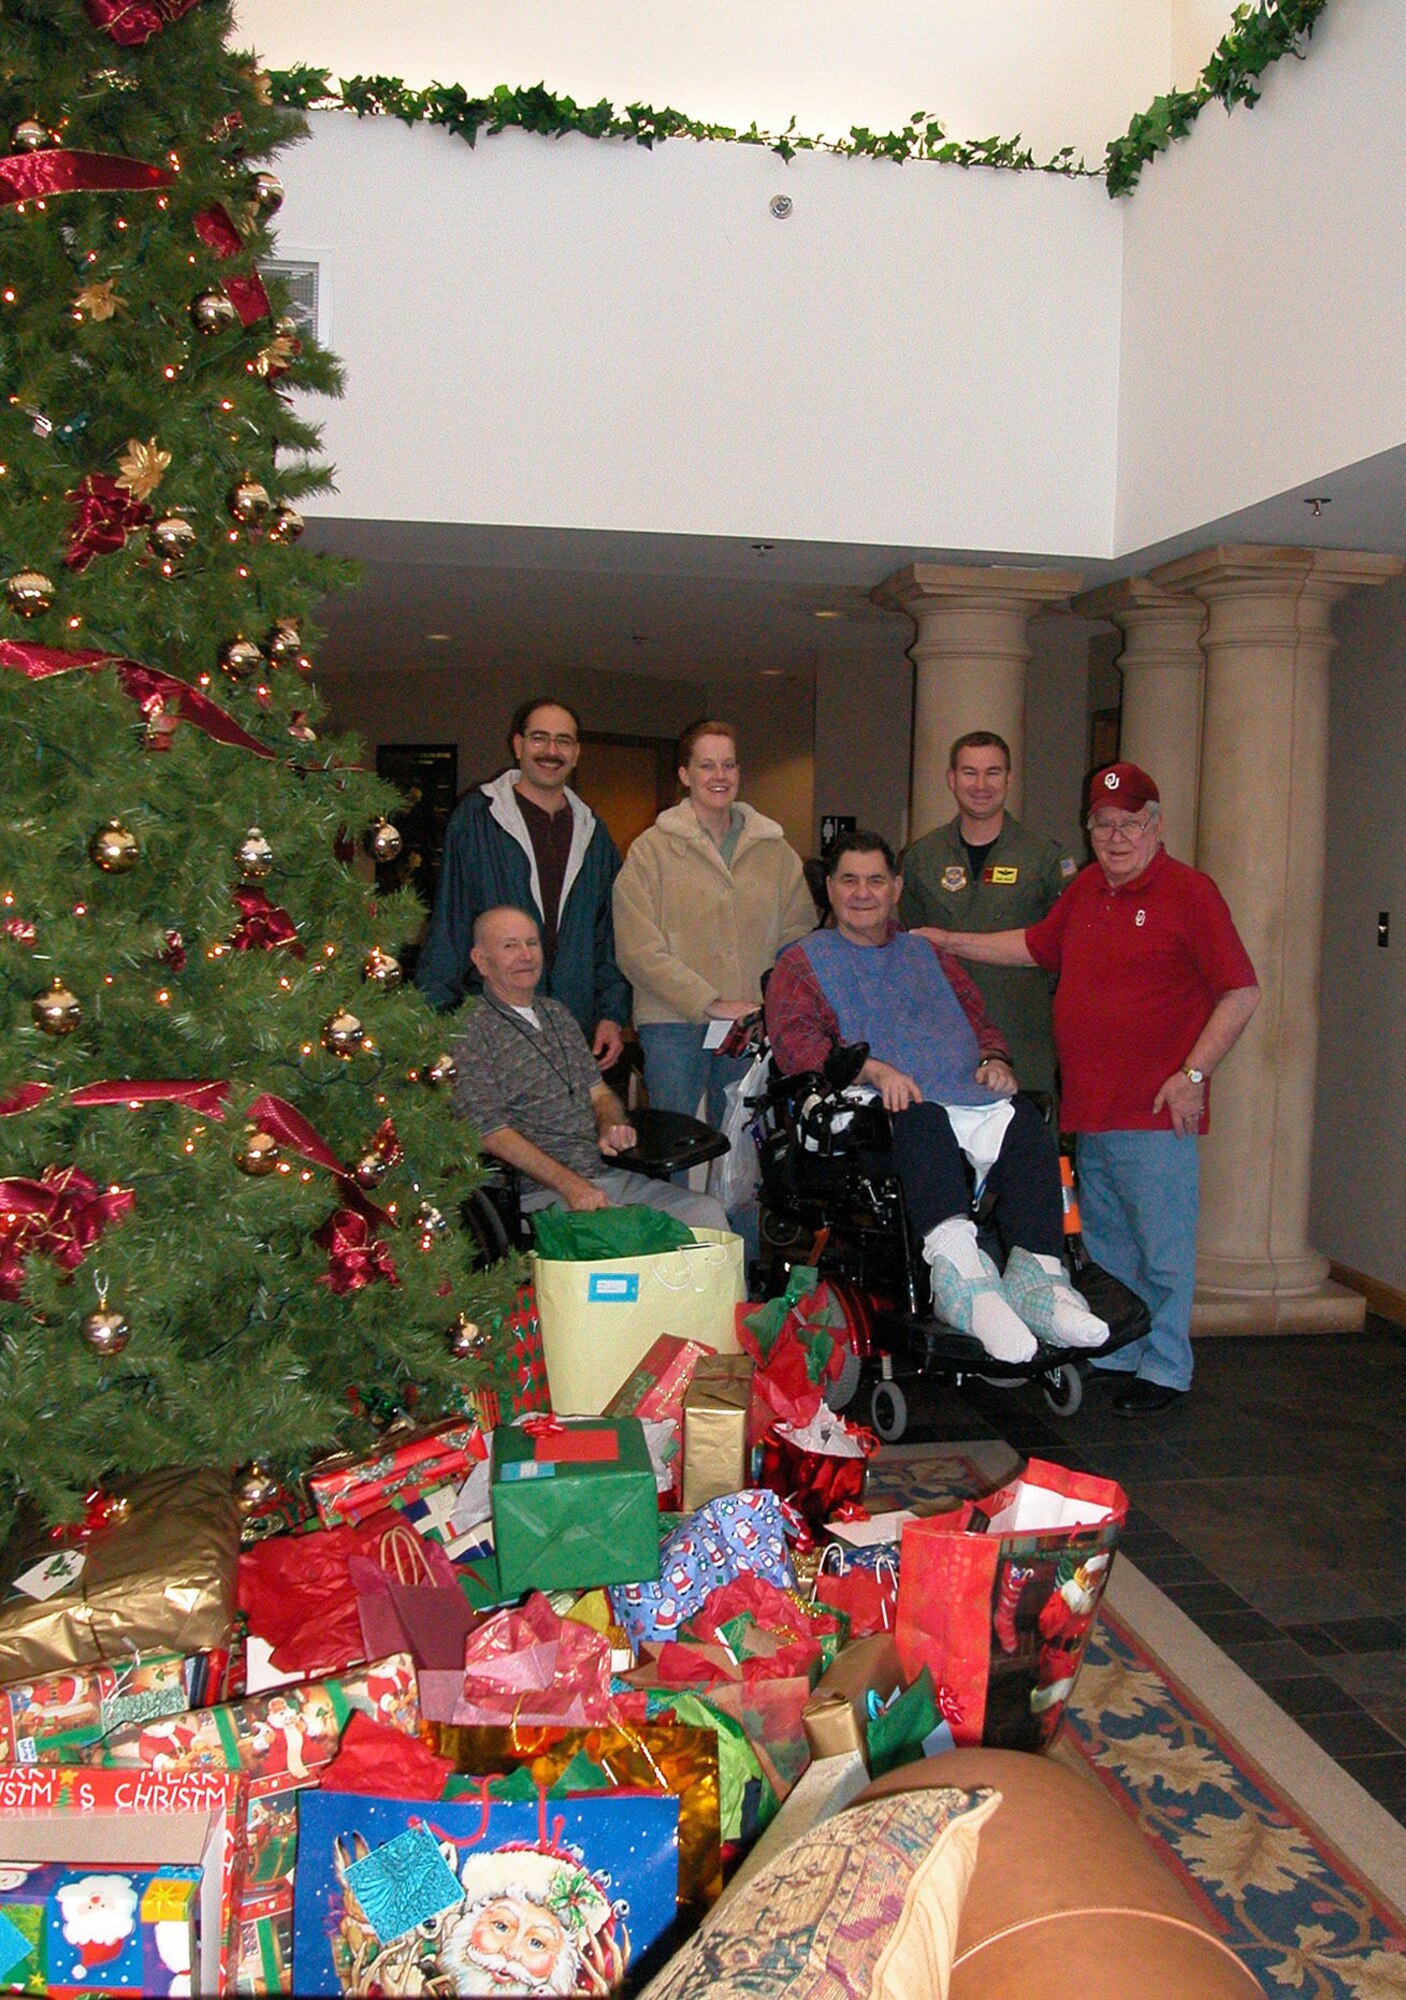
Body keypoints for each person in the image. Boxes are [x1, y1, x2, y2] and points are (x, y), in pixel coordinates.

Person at [914, 762, 1260, 1415]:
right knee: (1106, 1246)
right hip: (1090, 1108)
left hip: (1156, 1111)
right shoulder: (1087, 891)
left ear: (1156, 826)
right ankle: (1119, 1353)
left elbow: (1240, 992)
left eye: (1130, 824)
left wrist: (1193, 1075)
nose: (1116, 837)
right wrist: (947, 941)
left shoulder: (1190, 892)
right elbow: (1032, 946)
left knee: (1162, 1252)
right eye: (1103, 825)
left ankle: (1166, 1368)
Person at [765, 833, 1109, 1363]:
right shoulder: (801, 962)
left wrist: (994, 1059)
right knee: (920, 1120)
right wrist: (872, 1069)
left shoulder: (925, 953)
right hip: (866, 1111)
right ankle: (963, 1286)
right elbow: (795, 1046)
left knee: (1025, 1124)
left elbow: (977, 1019)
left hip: (954, 1097)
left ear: (896, 887)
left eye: (876, 880)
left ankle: (1039, 1282)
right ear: (830, 888)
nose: (863, 893)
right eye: (849, 880)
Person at [450, 906, 726, 1231]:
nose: (526, 955)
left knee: (707, 1215)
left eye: (532, 943)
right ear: (481, 960)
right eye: (510, 946)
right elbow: (490, 1133)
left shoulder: (557, 1014)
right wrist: (571, 1185)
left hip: (605, 1175)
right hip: (539, 1195)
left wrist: (611, 1124)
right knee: (642, 1234)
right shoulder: (469, 1028)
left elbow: (599, 1093)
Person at [613, 718, 815, 1124]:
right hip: (672, 1022)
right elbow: (637, 950)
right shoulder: (650, 851)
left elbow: (798, 938)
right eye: (707, 766)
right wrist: (709, 1002)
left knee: (740, 1139)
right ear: (685, 774)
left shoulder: (775, 852)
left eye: (729, 765)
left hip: (748, 1022)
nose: (719, 776)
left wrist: (771, 1006)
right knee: (674, 1137)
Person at [415, 697, 628, 1069]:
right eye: (539, 738)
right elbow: (450, 924)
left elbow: (607, 935)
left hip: (570, 1027)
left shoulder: (594, 836)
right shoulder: (477, 820)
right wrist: (436, 1020)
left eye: (563, 741)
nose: (551, 751)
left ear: (576, 753)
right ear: (518, 745)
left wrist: (611, 1013)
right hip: (490, 1025)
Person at [899, 730, 1076, 1102]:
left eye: (993, 773)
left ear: (1009, 779)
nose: (981, 785)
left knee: (1025, 1135)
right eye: (969, 772)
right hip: (942, 1042)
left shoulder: (1044, 859)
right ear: (951, 779)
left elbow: (1065, 954)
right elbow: (910, 949)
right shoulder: (921, 859)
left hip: (1024, 1041)